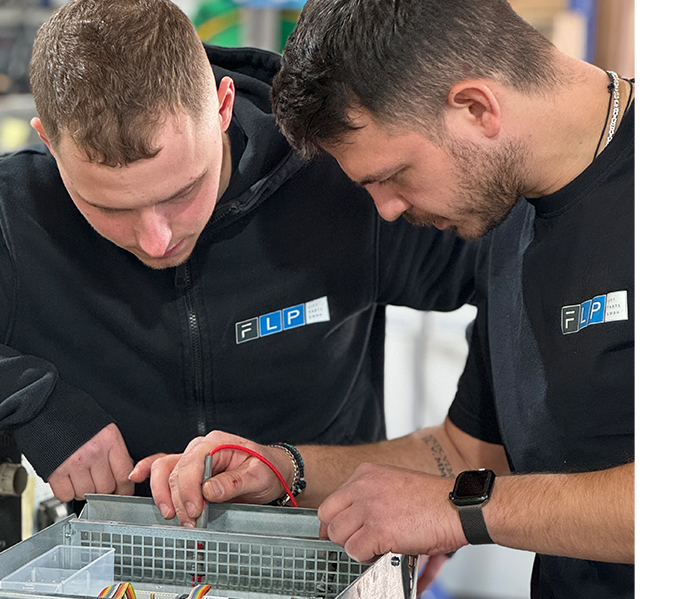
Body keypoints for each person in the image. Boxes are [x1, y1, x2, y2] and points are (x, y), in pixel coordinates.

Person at [134, 1, 634, 597]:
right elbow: (467, 454)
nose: (388, 210)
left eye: (392, 175)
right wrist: (286, 468)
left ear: (476, 107)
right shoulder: (507, 216)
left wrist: (459, 512)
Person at [0, 0, 477, 506]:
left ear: (222, 105)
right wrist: (32, 403)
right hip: (120, 568)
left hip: (335, 547)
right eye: (110, 208)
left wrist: (460, 479)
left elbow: (511, 274)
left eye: (182, 193)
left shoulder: (336, 173)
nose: (157, 239)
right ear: (49, 143)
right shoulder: (8, 221)